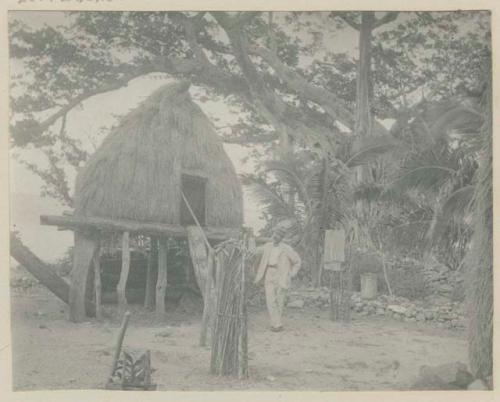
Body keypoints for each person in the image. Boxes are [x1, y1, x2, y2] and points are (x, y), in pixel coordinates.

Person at [252, 225, 301, 332]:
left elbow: (297, 261)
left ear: (282, 238)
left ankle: (276, 323)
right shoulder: (267, 246)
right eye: (275, 235)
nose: (276, 237)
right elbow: (255, 251)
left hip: (281, 274)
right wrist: (248, 242)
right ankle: (277, 324)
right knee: (270, 299)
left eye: (278, 236)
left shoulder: (286, 249)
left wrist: (292, 273)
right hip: (269, 272)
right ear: (273, 235)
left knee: (279, 299)